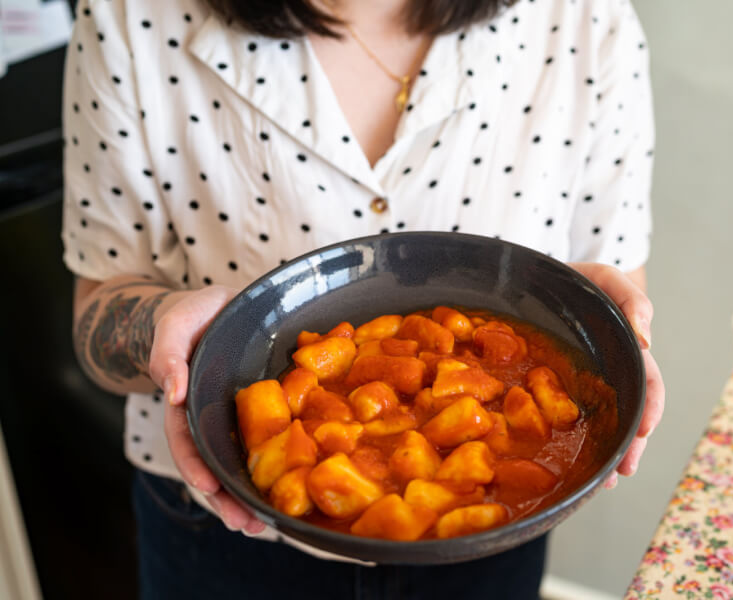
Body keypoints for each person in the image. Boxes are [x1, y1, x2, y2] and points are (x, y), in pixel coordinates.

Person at [63, 0, 665, 597]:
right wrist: (157, 326)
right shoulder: (130, 17)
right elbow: (98, 316)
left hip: (495, 542)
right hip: (221, 535)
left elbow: (614, 299)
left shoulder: (586, 20)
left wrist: (619, 326)